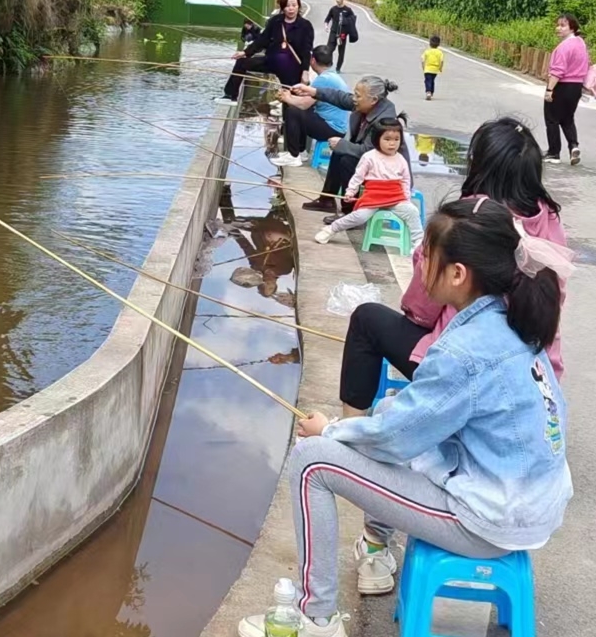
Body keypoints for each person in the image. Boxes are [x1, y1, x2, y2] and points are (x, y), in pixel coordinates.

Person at [238, 198, 574, 635]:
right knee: (392, 413)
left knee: (312, 460)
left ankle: (314, 618)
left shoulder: (465, 349)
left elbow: (392, 439)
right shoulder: (513, 318)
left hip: (490, 519)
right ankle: (374, 550)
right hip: (530, 503)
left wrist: (332, 429)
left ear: (457, 274)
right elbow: (409, 423)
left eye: (427, 256)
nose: (421, 264)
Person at [340, 117, 567, 418]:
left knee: (367, 319)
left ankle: (346, 428)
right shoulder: (549, 218)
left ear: (478, 164)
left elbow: (421, 307)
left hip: (466, 372)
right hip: (538, 376)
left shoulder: (466, 217)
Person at [289, 76, 413, 213]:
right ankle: (326, 200)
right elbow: (340, 97)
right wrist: (312, 91)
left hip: (387, 172)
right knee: (341, 150)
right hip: (374, 163)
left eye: (358, 96)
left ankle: (350, 211)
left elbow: (369, 152)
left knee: (347, 158)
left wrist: (342, 144)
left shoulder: (384, 121)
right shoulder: (366, 105)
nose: (354, 98)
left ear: (373, 100)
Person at [313, 118, 420, 244]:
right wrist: (350, 191)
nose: (392, 143)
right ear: (377, 139)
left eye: (396, 139)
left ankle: (418, 242)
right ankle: (330, 229)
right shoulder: (369, 157)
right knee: (359, 216)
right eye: (387, 139)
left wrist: (406, 197)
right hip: (373, 197)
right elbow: (358, 176)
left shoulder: (400, 159)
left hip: (396, 197)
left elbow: (406, 179)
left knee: (412, 212)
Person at [223, 0, 313, 102]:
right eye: (287, 5)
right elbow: (262, 39)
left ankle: (289, 116)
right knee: (241, 62)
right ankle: (230, 95)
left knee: (291, 100)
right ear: (283, 7)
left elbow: (307, 50)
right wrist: (245, 52)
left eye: (294, 5)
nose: (291, 8)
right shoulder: (275, 21)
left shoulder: (305, 26)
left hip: (291, 68)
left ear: (298, 6)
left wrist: (305, 71)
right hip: (271, 61)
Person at [272, 47, 352, 167]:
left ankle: (293, 156)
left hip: (332, 128)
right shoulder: (331, 76)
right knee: (300, 111)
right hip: (337, 127)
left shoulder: (323, 79)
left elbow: (303, 105)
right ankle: (301, 151)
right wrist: (289, 96)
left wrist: (287, 98)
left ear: (313, 61)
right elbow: (307, 102)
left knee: (293, 112)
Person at [543, 14, 590, 166]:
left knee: (552, 118)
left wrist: (550, 89)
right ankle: (573, 146)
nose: (558, 28)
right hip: (576, 87)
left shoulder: (564, 47)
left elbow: (558, 71)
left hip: (562, 85)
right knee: (568, 118)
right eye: (558, 25)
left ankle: (554, 152)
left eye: (563, 25)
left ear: (572, 27)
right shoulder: (580, 43)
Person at [323, 0, 359, 71]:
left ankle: (338, 68)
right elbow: (327, 19)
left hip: (342, 34)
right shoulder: (333, 9)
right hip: (333, 32)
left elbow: (353, 20)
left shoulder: (348, 10)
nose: (337, 0)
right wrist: (326, 26)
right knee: (329, 50)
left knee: (341, 52)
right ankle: (329, 66)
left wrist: (346, 22)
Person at [421, 36, 445, 100]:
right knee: (432, 80)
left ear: (430, 43)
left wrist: (423, 67)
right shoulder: (440, 52)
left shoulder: (427, 51)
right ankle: (431, 92)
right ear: (439, 44)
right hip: (435, 69)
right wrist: (440, 68)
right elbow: (442, 61)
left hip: (427, 69)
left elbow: (423, 60)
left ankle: (428, 91)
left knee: (427, 80)